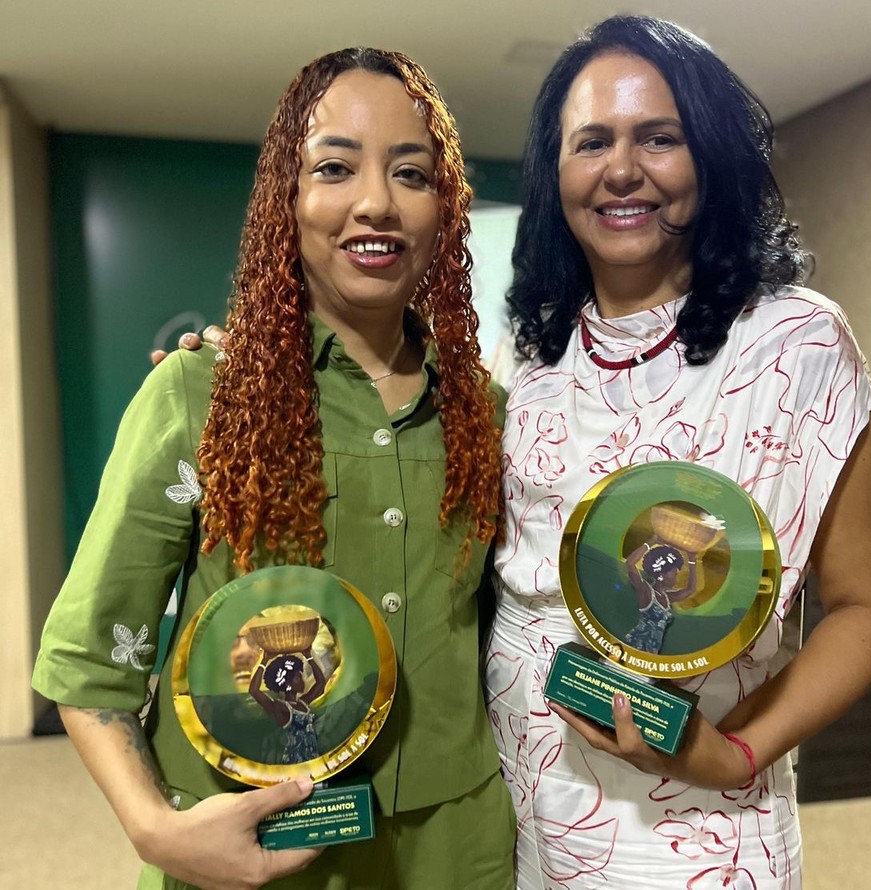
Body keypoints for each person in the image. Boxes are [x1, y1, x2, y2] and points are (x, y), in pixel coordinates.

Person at [33, 48, 514, 890]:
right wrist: (155, 832)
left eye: (412, 172)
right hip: (250, 844)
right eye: (334, 167)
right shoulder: (197, 397)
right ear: (284, 201)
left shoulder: (486, 409)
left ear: (447, 208)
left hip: (458, 853)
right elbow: (90, 664)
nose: (375, 202)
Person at [482, 15, 871, 889]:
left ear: (709, 156)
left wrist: (739, 750)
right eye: (592, 141)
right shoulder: (527, 352)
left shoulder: (797, 342)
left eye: (659, 138)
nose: (622, 169)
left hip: (701, 832)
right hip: (525, 807)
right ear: (554, 171)